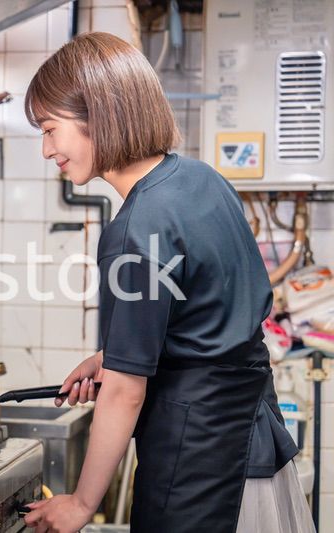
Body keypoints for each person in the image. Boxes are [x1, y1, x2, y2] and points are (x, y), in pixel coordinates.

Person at [22, 32, 314, 533]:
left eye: (50, 129)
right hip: (253, 442)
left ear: (99, 113)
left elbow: (123, 395)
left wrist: (81, 502)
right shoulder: (203, 179)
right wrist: (110, 357)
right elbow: (208, 316)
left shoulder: (135, 228)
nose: (47, 149)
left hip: (196, 465)